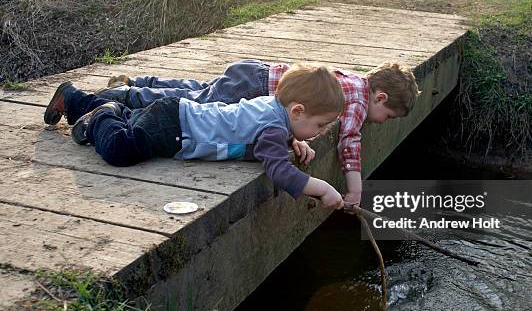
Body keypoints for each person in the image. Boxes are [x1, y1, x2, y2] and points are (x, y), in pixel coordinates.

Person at [98, 59, 421, 205]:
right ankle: (130, 97)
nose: (381, 121)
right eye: (388, 115)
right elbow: (349, 142)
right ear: (379, 98)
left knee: (201, 93)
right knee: (196, 100)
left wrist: (291, 138)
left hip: (257, 73)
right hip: (258, 88)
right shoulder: (358, 103)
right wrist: (355, 189)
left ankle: (141, 84)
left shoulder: (354, 80)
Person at [43, 64, 346, 209]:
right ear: (297, 111)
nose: (320, 133)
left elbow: (270, 135)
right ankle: (104, 113)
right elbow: (278, 169)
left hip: (176, 117)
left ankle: (73, 98)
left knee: (131, 127)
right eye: (319, 125)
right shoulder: (275, 129)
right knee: (120, 150)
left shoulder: (276, 113)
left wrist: (295, 140)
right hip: (173, 127)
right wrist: (321, 189)